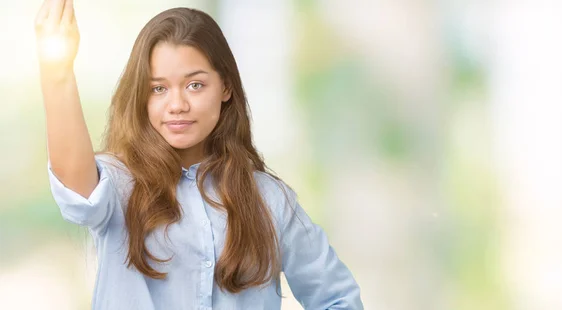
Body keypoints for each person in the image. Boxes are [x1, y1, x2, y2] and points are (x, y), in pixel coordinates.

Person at [35, 1, 363, 309]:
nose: (177, 105)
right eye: (158, 89)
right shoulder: (117, 183)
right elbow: (75, 188)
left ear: (225, 87)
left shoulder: (270, 199)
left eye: (194, 85)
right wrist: (58, 71)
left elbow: (337, 298)